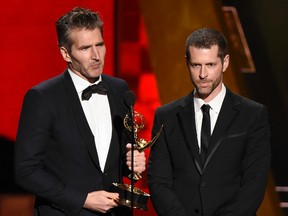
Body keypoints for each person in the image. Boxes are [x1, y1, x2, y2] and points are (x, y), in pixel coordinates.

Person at [14, 7, 146, 216]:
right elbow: (26, 171)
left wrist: (133, 161)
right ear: (66, 53)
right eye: (85, 48)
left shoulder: (119, 90)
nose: (96, 56)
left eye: (99, 45)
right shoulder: (43, 97)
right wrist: (81, 199)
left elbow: (120, 154)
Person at [148, 28, 270, 216]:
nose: (203, 74)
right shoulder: (167, 116)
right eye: (196, 65)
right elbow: (158, 182)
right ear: (187, 63)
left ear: (225, 63)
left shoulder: (252, 114)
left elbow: (254, 183)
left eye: (210, 65)